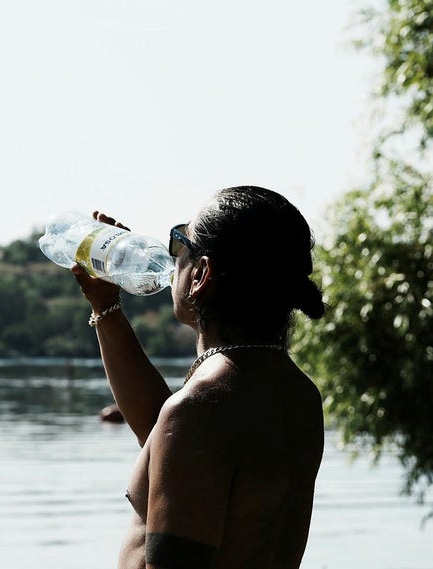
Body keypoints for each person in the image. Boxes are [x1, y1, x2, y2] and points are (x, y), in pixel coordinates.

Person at [70, 186, 327, 569]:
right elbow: (163, 442)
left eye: (179, 245)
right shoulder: (296, 394)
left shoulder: (201, 410)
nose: (171, 259)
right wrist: (106, 307)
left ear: (201, 274)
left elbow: (183, 432)